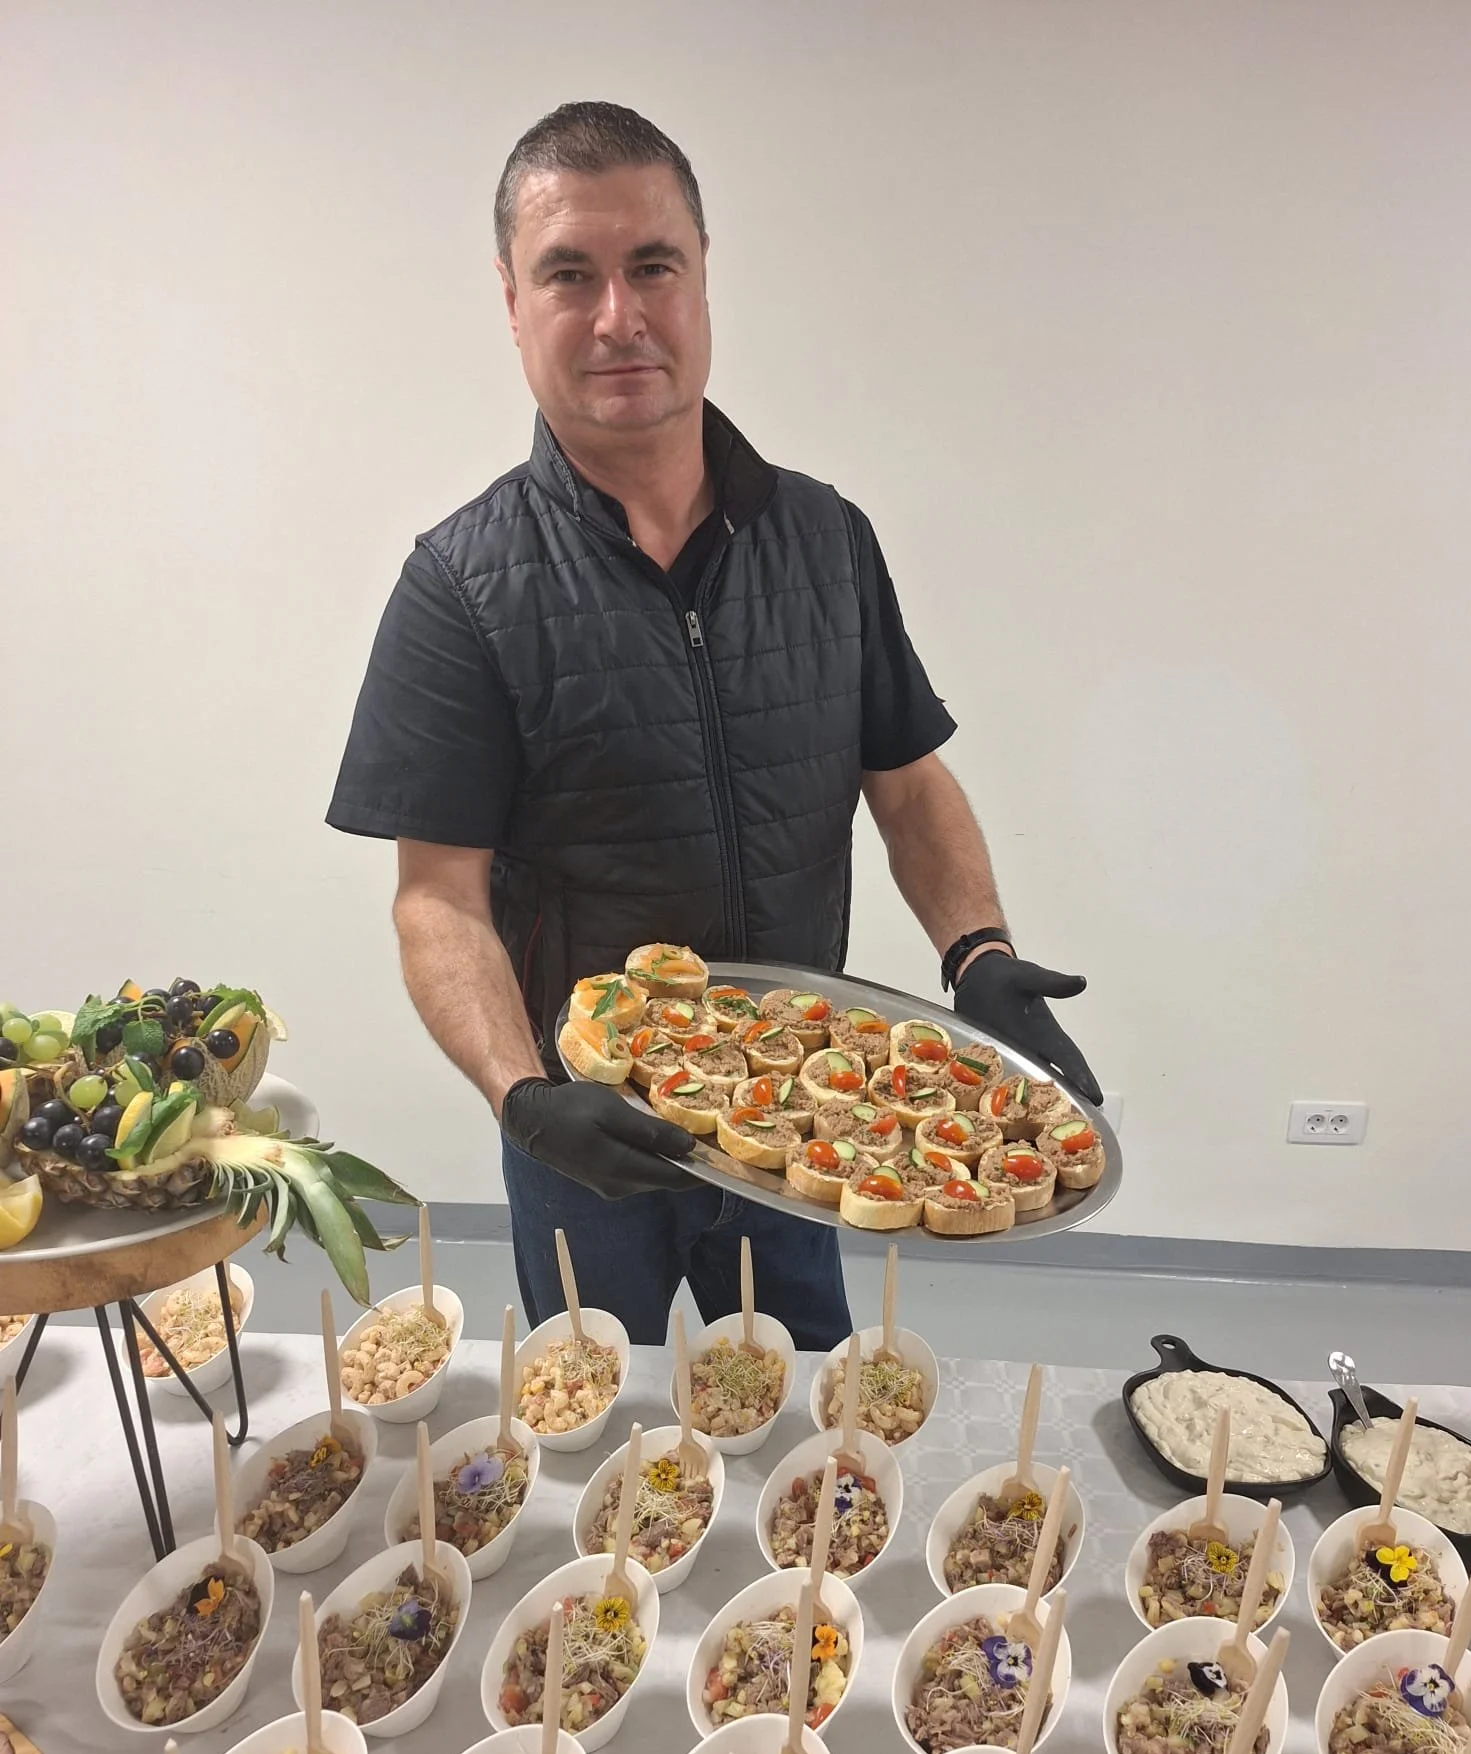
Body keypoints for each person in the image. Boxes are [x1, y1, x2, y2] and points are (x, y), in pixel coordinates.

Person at [326, 101, 1100, 1350]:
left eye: (653, 267)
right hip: (589, 1139)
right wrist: (524, 1095)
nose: (620, 316)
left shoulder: (827, 540)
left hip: (801, 1116)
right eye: (569, 274)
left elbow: (906, 782)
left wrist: (978, 954)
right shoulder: (460, 586)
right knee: (611, 1462)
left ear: (701, 282)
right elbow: (438, 898)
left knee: (808, 1443)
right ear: (513, 304)